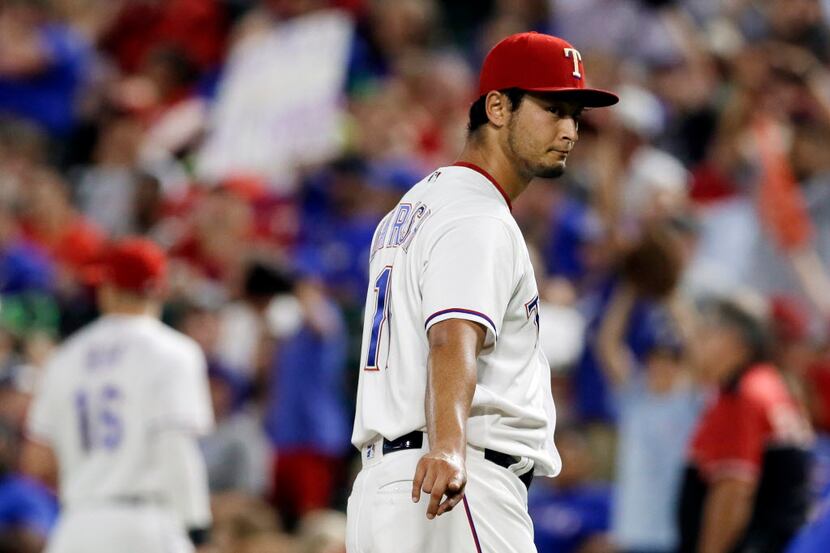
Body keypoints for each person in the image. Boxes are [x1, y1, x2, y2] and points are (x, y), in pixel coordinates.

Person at [346, 32, 618, 553]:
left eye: (576, 116)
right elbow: (451, 335)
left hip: (389, 488)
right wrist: (449, 447)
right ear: (497, 106)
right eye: (553, 109)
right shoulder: (477, 213)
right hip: (452, 484)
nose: (569, 130)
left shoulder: (418, 204)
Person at [21, 237, 214, 553]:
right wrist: (198, 530)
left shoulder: (65, 357)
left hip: (77, 525)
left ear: (107, 290)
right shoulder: (174, 352)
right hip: (147, 523)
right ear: (160, 290)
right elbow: (175, 449)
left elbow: (37, 459)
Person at [678, 298, 813, 553]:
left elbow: (733, 491)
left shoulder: (742, 393)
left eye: (706, 334)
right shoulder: (768, 382)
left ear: (733, 341)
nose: (695, 344)